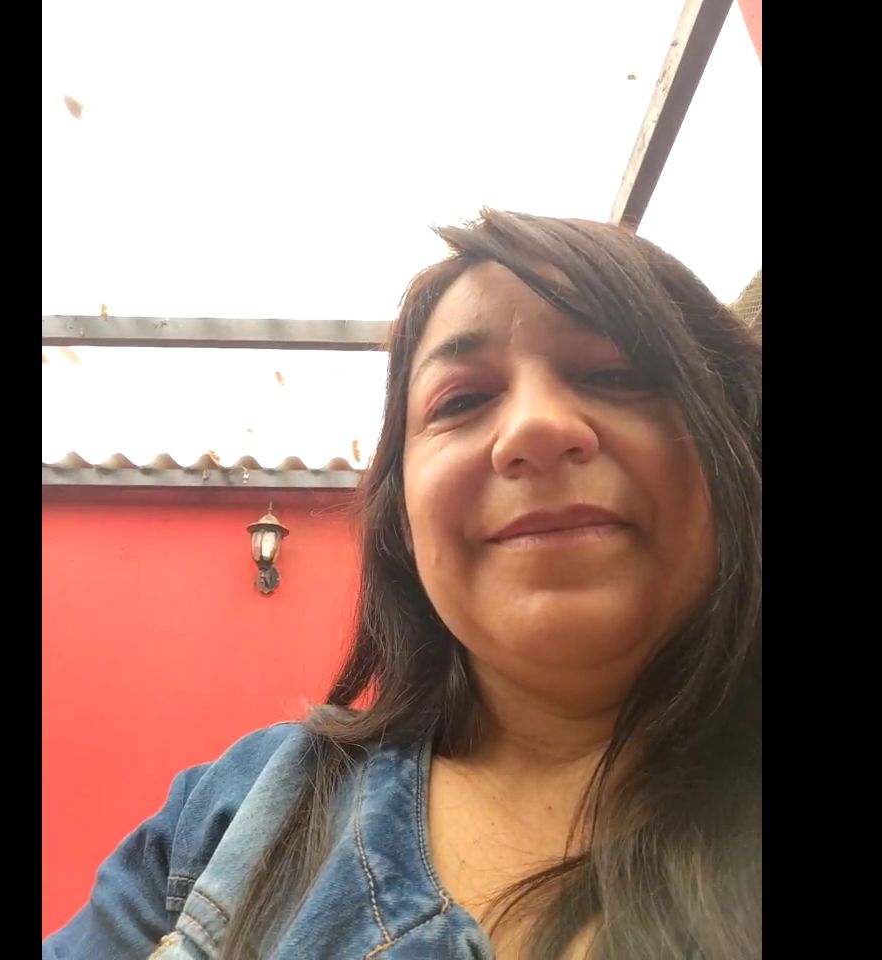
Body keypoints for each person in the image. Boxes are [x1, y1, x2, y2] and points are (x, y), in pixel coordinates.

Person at [43, 209, 762, 960]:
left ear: (736, 454)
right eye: (461, 400)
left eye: (615, 375)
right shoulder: (237, 808)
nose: (534, 427)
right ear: (405, 521)